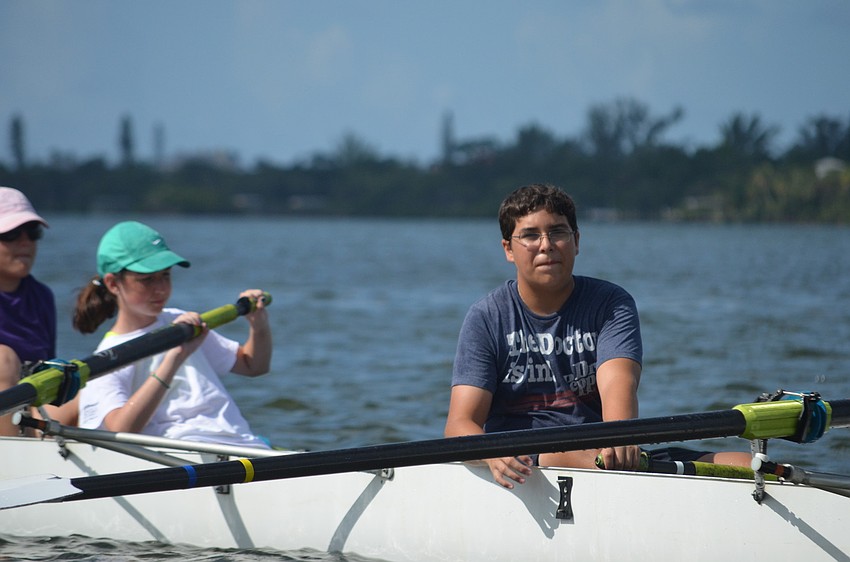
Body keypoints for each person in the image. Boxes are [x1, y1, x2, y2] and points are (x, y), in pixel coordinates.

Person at [444, 183, 750, 489]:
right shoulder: (486, 316)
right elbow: (460, 423)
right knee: (557, 456)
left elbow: (619, 384)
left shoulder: (610, 303)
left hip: (601, 449)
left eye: (558, 232)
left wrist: (620, 440)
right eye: (530, 235)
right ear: (508, 249)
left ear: (576, 241)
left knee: (751, 464)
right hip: (523, 463)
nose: (546, 245)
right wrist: (491, 454)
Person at [74, 220, 272, 448]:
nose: (160, 288)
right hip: (185, 453)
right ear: (112, 283)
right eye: (147, 280)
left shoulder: (177, 319)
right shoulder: (106, 358)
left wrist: (259, 326)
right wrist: (174, 358)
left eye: (165, 276)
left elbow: (253, 366)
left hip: (244, 445)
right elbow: (121, 429)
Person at [0, 187, 77, 436]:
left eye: (32, 232)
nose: (25, 242)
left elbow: (48, 371)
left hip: (29, 413)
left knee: (86, 387)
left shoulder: (42, 296)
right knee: (3, 359)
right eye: (12, 234)